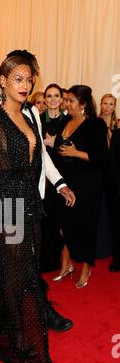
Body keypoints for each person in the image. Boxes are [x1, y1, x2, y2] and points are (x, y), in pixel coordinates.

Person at [0, 52, 76, 363]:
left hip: (30, 205)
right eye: (18, 78)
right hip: (6, 207)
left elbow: (40, 155)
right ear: (2, 80)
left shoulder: (30, 114)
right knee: (17, 272)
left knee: (20, 268)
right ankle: (17, 337)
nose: (25, 85)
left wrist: (59, 184)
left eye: (29, 79)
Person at [50, 85, 108, 287]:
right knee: (62, 223)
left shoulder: (96, 125)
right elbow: (57, 148)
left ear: (83, 105)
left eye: (70, 100)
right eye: (65, 99)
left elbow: (101, 158)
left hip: (87, 183)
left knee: (84, 226)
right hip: (64, 181)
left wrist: (76, 154)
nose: (65, 103)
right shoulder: (65, 120)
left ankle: (86, 266)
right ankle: (66, 263)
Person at [108, 128, 120, 271]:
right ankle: (118, 259)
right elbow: (113, 162)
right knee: (117, 226)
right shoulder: (117, 134)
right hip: (118, 189)